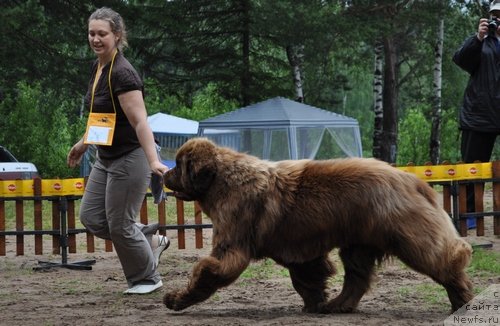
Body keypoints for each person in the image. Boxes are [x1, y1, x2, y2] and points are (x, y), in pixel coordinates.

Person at [67, 7, 170, 294]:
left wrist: (153, 161)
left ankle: (147, 278)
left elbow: (140, 123)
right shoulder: (98, 66)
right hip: (106, 157)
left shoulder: (124, 74)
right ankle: (150, 241)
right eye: (92, 33)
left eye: (102, 34)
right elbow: (103, 117)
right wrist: (83, 142)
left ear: (117, 35)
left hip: (131, 157)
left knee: (121, 223)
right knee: (92, 217)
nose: (96, 39)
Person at [452, 0, 500, 229]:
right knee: (472, 165)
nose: (498, 18)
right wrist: (478, 38)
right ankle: (469, 214)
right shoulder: (481, 43)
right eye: (495, 14)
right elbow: (460, 59)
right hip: (479, 114)